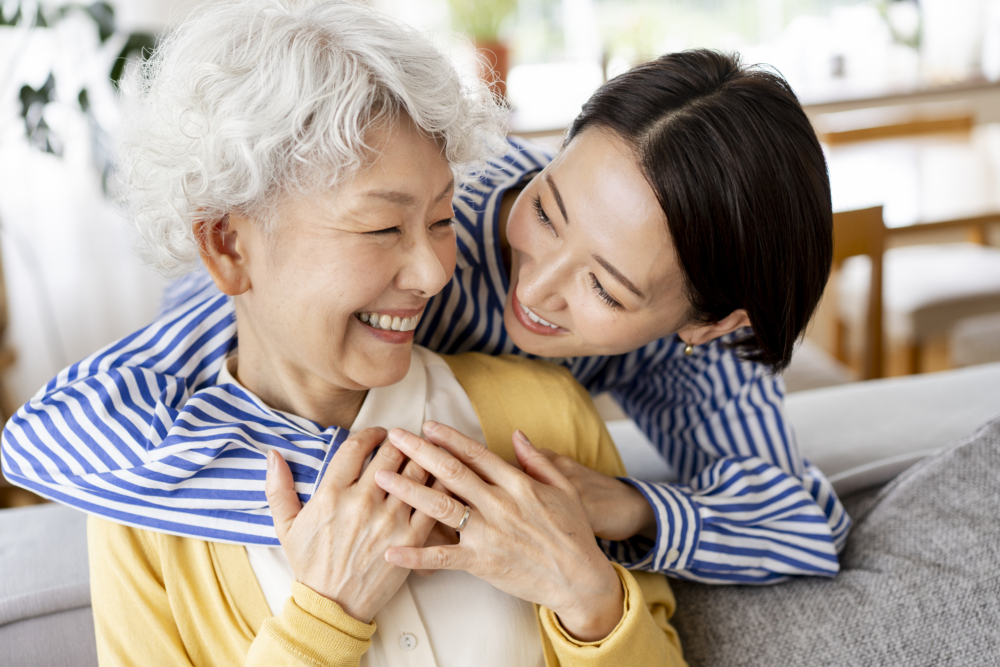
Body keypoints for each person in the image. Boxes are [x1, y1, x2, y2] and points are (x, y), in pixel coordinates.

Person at [0, 1, 847, 584]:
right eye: (548, 209)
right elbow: (53, 430)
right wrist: (394, 491)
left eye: (604, 286)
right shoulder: (420, 215)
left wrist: (618, 505)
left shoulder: (696, 338)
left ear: (706, 324)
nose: (538, 286)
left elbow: (806, 521)